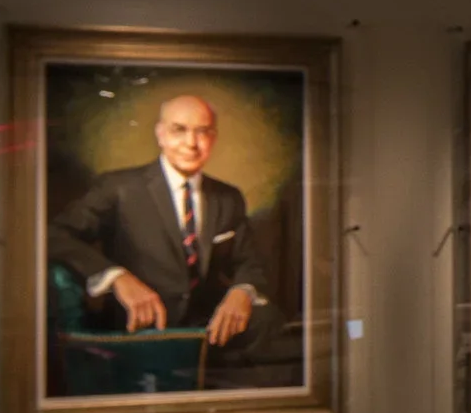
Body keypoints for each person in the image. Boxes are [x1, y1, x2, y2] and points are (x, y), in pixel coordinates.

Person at [47, 94, 290, 388]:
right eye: (179, 130)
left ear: (213, 138)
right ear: (160, 134)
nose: (191, 143)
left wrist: (242, 290)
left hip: (210, 335)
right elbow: (56, 235)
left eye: (202, 132)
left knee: (270, 328)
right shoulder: (118, 187)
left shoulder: (228, 197)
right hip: (139, 332)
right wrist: (116, 276)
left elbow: (249, 261)